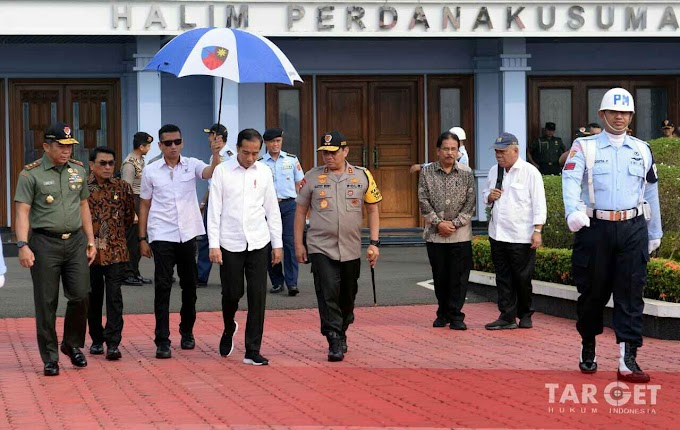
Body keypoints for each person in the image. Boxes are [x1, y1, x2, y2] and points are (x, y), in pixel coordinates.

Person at [562, 88, 662, 383]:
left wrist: (654, 231)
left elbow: (651, 191)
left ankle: (627, 359)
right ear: (602, 115)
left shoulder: (642, 149)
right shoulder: (585, 147)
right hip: (596, 228)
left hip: (632, 228)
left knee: (631, 293)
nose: (619, 117)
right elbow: (569, 180)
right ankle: (588, 345)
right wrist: (572, 212)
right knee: (593, 293)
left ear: (631, 116)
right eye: (613, 112)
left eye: (625, 113)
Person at [14, 122, 97, 376]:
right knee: (47, 302)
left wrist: (91, 240)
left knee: (81, 295)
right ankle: (50, 357)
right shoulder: (31, 174)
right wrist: (22, 244)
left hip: (75, 242)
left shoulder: (78, 171)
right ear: (46, 146)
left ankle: (71, 345)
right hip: (44, 243)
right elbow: (22, 211)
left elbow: (83, 206)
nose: (66, 151)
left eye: (70, 147)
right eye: (61, 146)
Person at [294, 131, 382, 362]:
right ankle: (333, 336)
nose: (328, 157)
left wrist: (374, 243)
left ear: (345, 151)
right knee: (327, 291)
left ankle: (342, 328)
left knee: (347, 294)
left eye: (333, 152)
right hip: (320, 246)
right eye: (324, 152)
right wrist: (298, 245)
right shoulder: (311, 177)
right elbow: (301, 211)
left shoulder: (363, 176)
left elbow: (372, 209)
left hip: (351, 247)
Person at [138, 124, 222, 359]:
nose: (173, 146)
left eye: (177, 142)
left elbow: (211, 172)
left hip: (187, 234)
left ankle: (187, 332)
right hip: (162, 235)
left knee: (189, 286)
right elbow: (144, 204)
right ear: (160, 145)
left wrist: (215, 153)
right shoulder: (151, 170)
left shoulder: (192, 164)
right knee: (163, 287)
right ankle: (162, 340)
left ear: (182, 142)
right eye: (168, 143)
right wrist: (142, 237)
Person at [208, 128, 283, 366]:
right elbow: (214, 210)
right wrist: (213, 244)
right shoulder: (222, 171)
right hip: (229, 242)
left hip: (258, 241)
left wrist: (277, 244)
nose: (250, 158)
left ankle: (252, 350)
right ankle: (229, 326)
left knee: (258, 295)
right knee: (232, 293)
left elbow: (272, 209)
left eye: (254, 153)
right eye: (245, 152)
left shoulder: (264, 172)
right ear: (237, 148)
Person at [483, 132, 547, 330]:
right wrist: (489, 196)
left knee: (522, 278)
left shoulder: (530, 172)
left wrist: (537, 230)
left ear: (515, 151)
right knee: (503, 277)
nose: (499, 156)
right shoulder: (495, 171)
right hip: (498, 233)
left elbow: (539, 204)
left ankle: (525, 313)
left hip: (520, 235)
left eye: (502, 152)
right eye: (496, 152)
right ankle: (507, 315)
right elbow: (486, 194)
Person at [418, 131, 476, 330]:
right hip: (435, 234)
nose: (450, 153)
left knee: (458, 277)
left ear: (458, 151)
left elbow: (471, 203)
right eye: (446, 149)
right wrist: (438, 223)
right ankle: (442, 312)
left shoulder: (467, 173)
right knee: (440, 276)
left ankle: (456, 315)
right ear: (438, 151)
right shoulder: (427, 172)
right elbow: (423, 200)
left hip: (460, 234)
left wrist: (455, 224)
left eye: (454, 149)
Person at [87, 147, 136, 360]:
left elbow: (128, 217)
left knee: (114, 297)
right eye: (103, 163)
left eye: (111, 163)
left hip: (115, 250)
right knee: (93, 297)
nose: (107, 167)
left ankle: (113, 343)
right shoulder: (81, 187)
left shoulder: (123, 187)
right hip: (90, 251)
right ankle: (97, 339)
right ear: (91, 164)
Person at [261, 127, 304, 296]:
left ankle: (292, 283)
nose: (275, 144)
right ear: (266, 143)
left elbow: (299, 182)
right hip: (268, 207)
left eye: (278, 141)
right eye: (272, 142)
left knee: (290, 243)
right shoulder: (260, 163)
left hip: (288, 205)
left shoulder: (292, 160)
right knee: (271, 243)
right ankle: (277, 281)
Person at [197, 123, 233, 287]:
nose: (208, 138)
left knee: (225, 237)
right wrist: (204, 201)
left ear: (217, 137)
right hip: (213, 198)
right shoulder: (214, 155)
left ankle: (229, 275)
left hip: (227, 200)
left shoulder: (230, 155)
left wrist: (217, 153)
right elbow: (212, 183)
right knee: (205, 237)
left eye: (210, 135)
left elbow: (221, 175)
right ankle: (201, 275)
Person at [121, 132, 153, 286]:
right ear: (141, 147)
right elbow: (125, 189)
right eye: (148, 145)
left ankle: (135, 271)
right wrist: (132, 212)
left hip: (141, 200)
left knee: (140, 239)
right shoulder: (129, 163)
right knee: (132, 241)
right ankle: (127, 273)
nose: (149, 148)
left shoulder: (140, 160)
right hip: (133, 201)